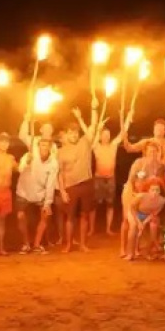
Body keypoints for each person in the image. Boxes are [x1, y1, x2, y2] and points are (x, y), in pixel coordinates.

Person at [58, 101, 99, 252]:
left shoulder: (84, 142)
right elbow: (59, 173)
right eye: (70, 133)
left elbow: (93, 126)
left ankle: (82, 244)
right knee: (70, 217)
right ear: (66, 135)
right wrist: (62, 191)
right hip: (71, 186)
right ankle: (69, 244)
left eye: (75, 132)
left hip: (86, 183)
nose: (74, 135)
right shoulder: (61, 151)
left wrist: (91, 110)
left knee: (84, 215)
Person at [121, 141, 165, 258]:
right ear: (145, 152)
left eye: (154, 151)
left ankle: (137, 248)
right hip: (132, 193)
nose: (152, 153)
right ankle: (123, 248)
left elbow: (159, 184)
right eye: (150, 151)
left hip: (146, 196)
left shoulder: (160, 166)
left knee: (145, 222)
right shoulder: (138, 162)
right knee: (127, 221)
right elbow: (130, 180)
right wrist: (131, 196)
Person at [16, 138, 59, 254]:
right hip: (24, 191)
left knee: (45, 216)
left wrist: (47, 203)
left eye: (46, 145)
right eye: (42, 145)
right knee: (20, 216)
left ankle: (36, 244)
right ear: (38, 146)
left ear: (50, 147)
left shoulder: (53, 163)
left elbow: (51, 183)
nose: (44, 147)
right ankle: (26, 244)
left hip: (40, 193)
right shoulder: (29, 155)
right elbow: (19, 169)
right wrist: (26, 162)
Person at [90, 123, 125, 236]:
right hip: (98, 179)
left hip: (110, 179)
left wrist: (128, 118)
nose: (106, 137)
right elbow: (92, 138)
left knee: (110, 204)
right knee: (94, 205)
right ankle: (91, 229)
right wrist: (98, 128)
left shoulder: (113, 146)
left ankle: (108, 229)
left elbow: (122, 134)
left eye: (108, 135)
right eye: (104, 135)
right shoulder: (97, 146)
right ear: (100, 136)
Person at [125, 177, 165, 261]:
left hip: (148, 216)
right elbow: (132, 208)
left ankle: (147, 252)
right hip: (135, 213)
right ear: (148, 190)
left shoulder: (162, 200)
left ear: (160, 191)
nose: (155, 192)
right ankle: (130, 253)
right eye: (152, 190)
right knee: (133, 227)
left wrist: (144, 223)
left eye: (157, 190)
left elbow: (154, 214)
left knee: (153, 227)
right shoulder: (141, 196)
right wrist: (138, 222)